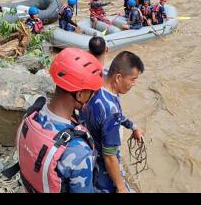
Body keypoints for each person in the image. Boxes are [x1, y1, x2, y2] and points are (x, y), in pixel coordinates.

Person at [15, 47, 103, 193]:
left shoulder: (32, 116)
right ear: (80, 95)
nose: (92, 97)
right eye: (91, 93)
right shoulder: (80, 151)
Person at [79, 51, 145, 193]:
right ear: (118, 78)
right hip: (100, 165)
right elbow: (109, 157)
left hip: (87, 144)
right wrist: (121, 187)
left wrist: (132, 126)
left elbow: (118, 115)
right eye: (133, 79)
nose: (134, 84)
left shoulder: (100, 79)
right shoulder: (111, 112)